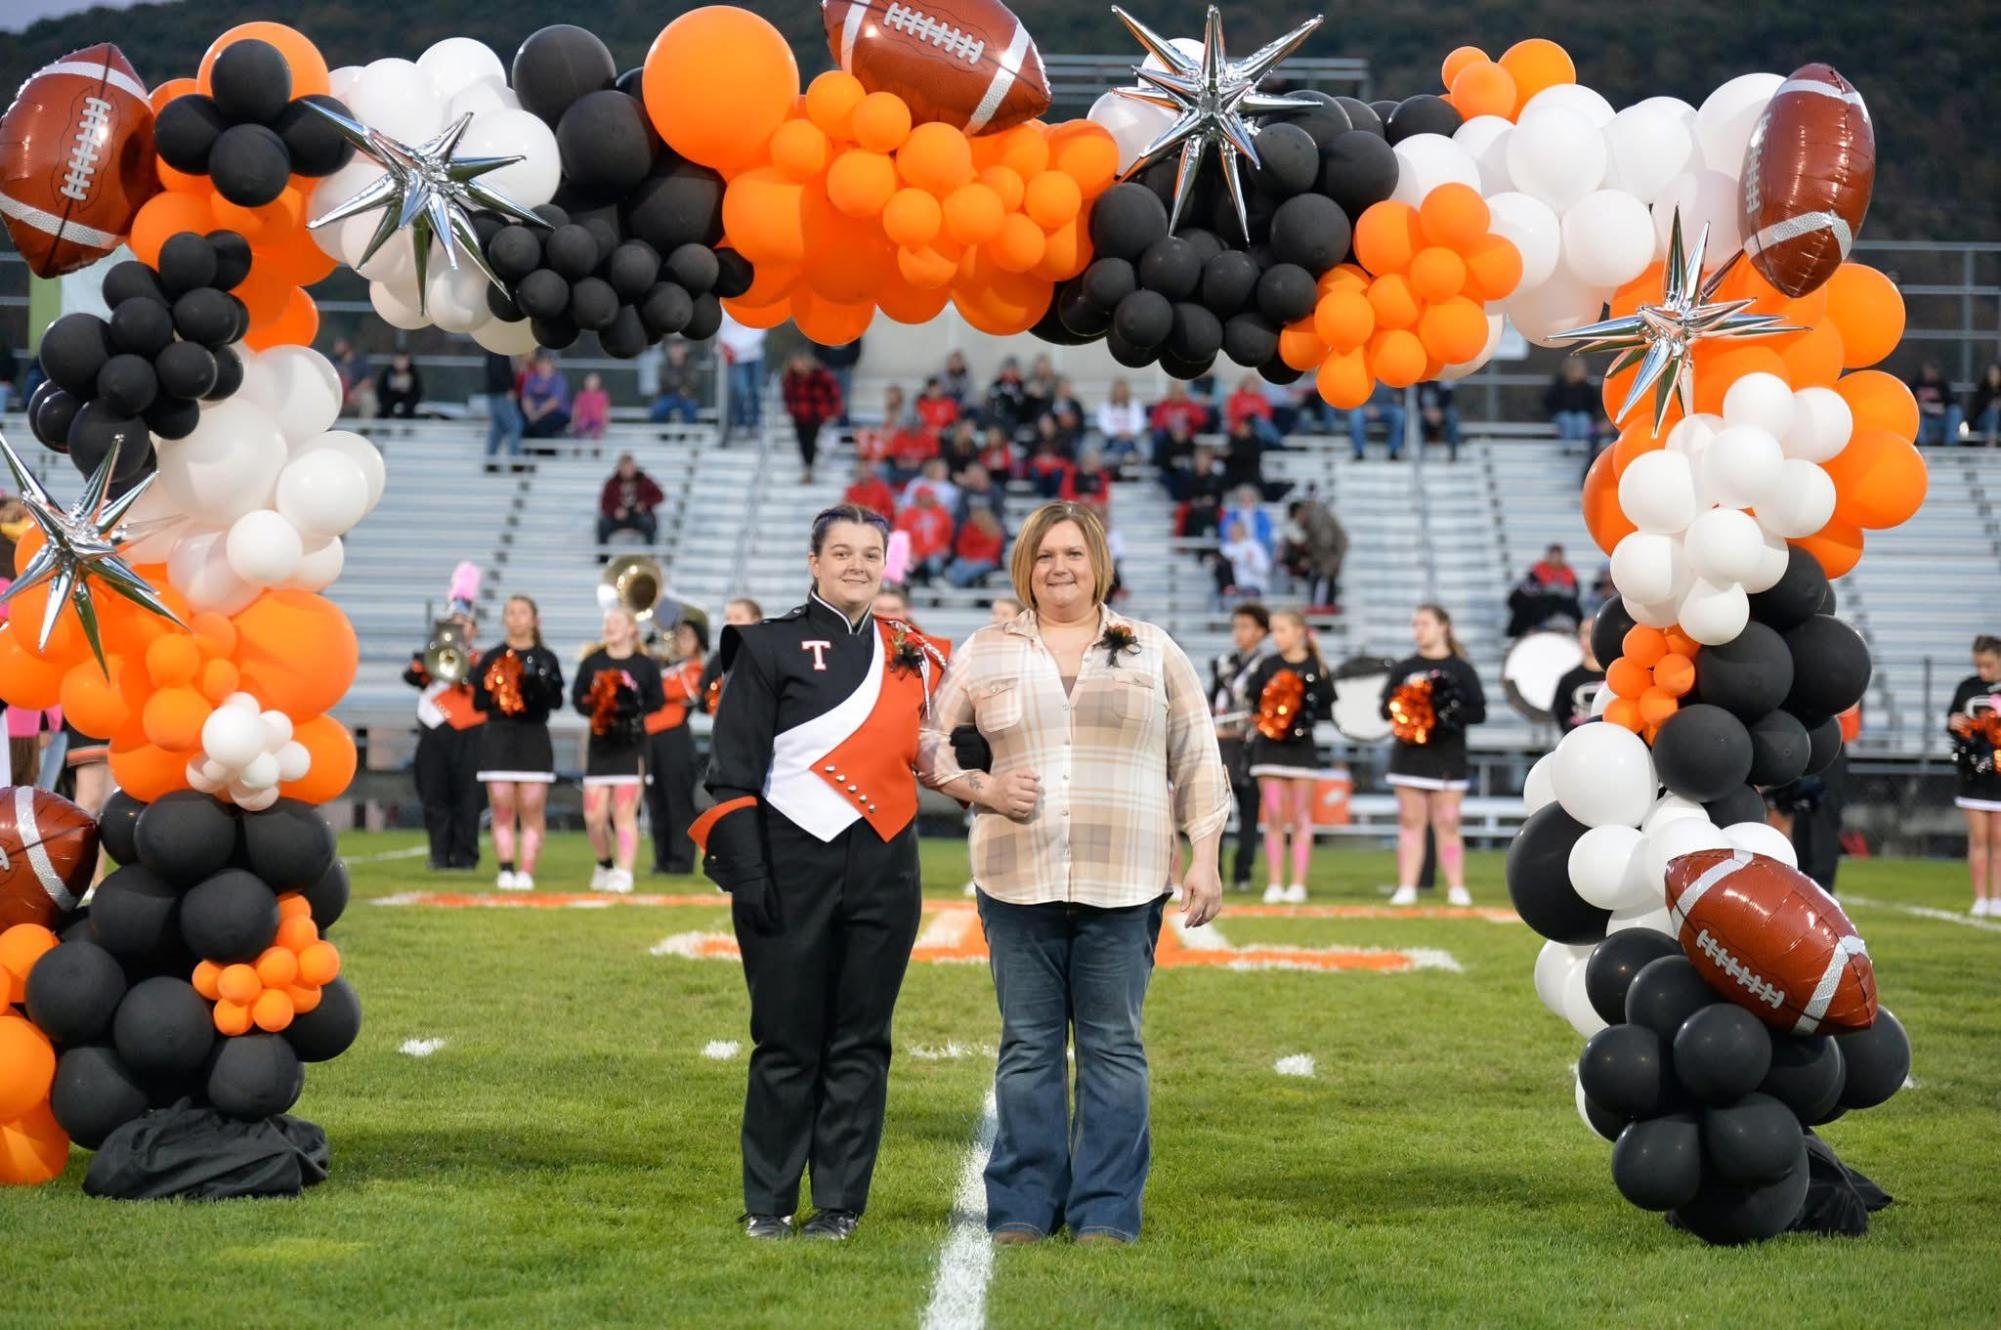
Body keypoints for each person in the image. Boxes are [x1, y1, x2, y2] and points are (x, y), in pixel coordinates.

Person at [918, 500, 1228, 1246]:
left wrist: (1206, 857)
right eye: (1045, 555)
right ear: (1026, 566)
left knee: (1113, 1047)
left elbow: (1196, 753)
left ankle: (1105, 1212)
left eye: (1073, 555)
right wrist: (981, 787)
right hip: (1014, 876)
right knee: (1027, 1046)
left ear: (1098, 566)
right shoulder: (986, 649)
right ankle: (1022, 1206)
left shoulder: (1149, 647)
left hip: (1125, 879)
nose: (1059, 568)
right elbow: (928, 739)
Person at [695, 503, 948, 1241]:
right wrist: (748, 878)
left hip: (885, 867)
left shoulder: (915, 651)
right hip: (786, 864)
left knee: (863, 1039)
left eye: (871, 554)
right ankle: (767, 1202)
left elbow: (950, 748)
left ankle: (839, 1204)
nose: (857, 565)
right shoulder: (763, 647)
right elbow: (731, 774)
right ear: (813, 561)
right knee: (785, 1039)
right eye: (841, 553)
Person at [1382, 605, 1488, 907]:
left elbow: (1478, 711)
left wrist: (1447, 713)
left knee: (1448, 821)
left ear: (1443, 627)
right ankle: (1407, 887)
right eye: (1415, 624)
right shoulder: (1404, 669)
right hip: (1409, 757)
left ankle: (1456, 888)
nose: (1419, 630)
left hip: (1447, 756)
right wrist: (1408, 709)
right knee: (1410, 821)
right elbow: (1384, 709)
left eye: (1425, 623)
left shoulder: (1462, 669)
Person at [472, 596, 565, 891]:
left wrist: (537, 686)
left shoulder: (546, 657)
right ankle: (505, 869)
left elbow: (557, 701)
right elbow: (478, 701)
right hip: (499, 737)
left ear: (534, 619)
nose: (516, 618)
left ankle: (526, 872)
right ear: (504, 619)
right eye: (510, 612)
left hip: (533, 737)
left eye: (522, 612)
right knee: (501, 806)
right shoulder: (492, 657)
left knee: (531, 807)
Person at [573, 606, 666, 894]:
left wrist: (630, 711)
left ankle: (625, 872)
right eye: (607, 622)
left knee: (624, 812)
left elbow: (657, 700)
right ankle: (604, 863)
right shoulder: (592, 662)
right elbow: (578, 699)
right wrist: (600, 708)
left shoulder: (645, 664)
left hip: (631, 746)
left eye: (616, 622)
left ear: (631, 630)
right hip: (601, 746)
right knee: (594, 816)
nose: (610, 626)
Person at [1243, 610, 1334, 903]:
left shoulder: (1316, 667)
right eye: (1274, 631)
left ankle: (1298, 884)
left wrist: (1302, 710)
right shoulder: (1267, 665)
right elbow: (1252, 701)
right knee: (1273, 816)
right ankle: (1274, 883)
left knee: (1301, 818)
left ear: (1298, 631)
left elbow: (1328, 709)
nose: (1276, 636)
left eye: (1282, 630)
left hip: (1302, 750)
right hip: (1269, 749)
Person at [403, 607, 486, 871]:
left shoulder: (481, 660)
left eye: (465, 624)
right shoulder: (430, 655)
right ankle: (438, 854)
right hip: (435, 729)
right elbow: (411, 676)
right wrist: (430, 659)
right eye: (454, 624)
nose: (460, 628)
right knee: (434, 794)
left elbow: (484, 685)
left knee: (468, 797)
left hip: (470, 731)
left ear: (475, 630)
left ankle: (465, 855)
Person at [1211, 602, 1274, 892]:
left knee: (1249, 813)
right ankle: (1214, 870)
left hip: (1251, 746)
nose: (1239, 632)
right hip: (1223, 746)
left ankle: (1243, 872)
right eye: (1236, 626)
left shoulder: (1269, 666)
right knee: (1217, 812)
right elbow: (1214, 699)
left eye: (1246, 627)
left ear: (1261, 632)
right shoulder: (1222, 662)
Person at [646, 617, 709, 876]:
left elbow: (674, 690)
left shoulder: (696, 669)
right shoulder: (663, 666)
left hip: (675, 738)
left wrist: (656, 680)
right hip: (651, 739)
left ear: (698, 643)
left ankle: (681, 861)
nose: (680, 642)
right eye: (678, 636)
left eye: (687, 637)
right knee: (655, 801)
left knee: (678, 801)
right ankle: (661, 859)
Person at [1947, 636, 2001, 916]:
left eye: (1988, 665)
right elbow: (1953, 720)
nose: (1983, 671)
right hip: (1975, 776)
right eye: (1978, 665)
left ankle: (1998, 898)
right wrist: (1954, 722)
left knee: (1999, 840)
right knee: (1979, 839)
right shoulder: (1967, 688)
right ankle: (1981, 898)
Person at [781, 352, 843, 484]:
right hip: (799, 415)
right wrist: (791, 409)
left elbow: (833, 392)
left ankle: (810, 467)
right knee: (803, 442)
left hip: (816, 414)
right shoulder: (791, 378)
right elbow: (787, 395)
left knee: (811, 441)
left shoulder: (820, 376)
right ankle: (807, 467)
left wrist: (834, 410)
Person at [1277, 496, 1347, 611]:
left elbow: (1326, 545)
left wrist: (1311, 560)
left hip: (1326, 561)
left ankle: (1322, 613)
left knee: (1322, 583)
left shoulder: (1318, 522)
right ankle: (1321, 612)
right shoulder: (1300, 526)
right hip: (1320, 562)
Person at [697, 598, 765, 715]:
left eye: (738, 618)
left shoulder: (768, 655)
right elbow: (703, 703)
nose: (730, 623)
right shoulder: (718, 659)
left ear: (756, 620)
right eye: (728, 618)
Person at [597, 452, 664, 551]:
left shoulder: (644, 480)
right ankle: (603, 557)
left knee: (648, 522)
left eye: (629, 468)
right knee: (603, 523)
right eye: (624, 468)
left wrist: (644, 504)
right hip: (618, 517)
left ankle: (650, 554)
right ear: (619, 468)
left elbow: (659, 496)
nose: (627, 471)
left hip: (638, 515)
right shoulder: (611, 483)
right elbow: (604, 504)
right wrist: (614, 511)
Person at [1549, 617, 1605, 733]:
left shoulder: (1618, 677)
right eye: (1586, 632)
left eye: (1595, 630)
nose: (1591, 637)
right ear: (1579, 637)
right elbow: (1561, 717)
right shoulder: (1568, 680)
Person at [893, 484, 954, 585]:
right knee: (906, 567)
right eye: (928, 496)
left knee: (934, 564)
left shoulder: (941, 513)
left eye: (932, 496)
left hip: (934, 552)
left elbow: (947, 532)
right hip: (914, 554)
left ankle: (937, 584)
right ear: (919, 498)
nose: (932, 498)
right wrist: (910, 552)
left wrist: (944, 545)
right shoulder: (908, 514)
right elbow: (900, 536)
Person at [719, 313, 767, 435]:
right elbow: (722, 329)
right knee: (741, 391)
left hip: (754, 356)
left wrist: (740, 347)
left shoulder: (754, 306)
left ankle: (755, 423)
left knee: (755, 391)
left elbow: (762, 329)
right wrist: (732, 348)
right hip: (736, 359)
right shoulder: (727, 307)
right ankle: (741, 422)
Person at [482, 351, 523, 473]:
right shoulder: (498, 351)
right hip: (501, 394)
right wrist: (508, 389)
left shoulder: (494, 350)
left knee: (497, 428)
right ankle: (514, 461)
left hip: (496, 393)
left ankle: (490, 462)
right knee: (515, 425)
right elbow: (497, 372)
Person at [1545, 360, 1599, 451]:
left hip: (1581, 415)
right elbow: (1550, 402)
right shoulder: (1558, 386)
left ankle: (1582, 446)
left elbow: (1593, 403)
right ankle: (1567, 448)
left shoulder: (1586, 387)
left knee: (1583, 419)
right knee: (1567, 420)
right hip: (1562, 415)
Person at [946, 506, 1005, 587]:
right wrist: (969, 558)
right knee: (958, 564)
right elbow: (962, 546)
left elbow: (992, 551)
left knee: (972, 569)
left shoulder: (994, 531)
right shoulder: (968, 528)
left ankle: (956, 586)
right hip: (969, 558)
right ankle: (950, 582)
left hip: (987, 560)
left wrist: (974, 560)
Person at [1348, 382, 1406, 461]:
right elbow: (1355, 395)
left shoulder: (1393, 373)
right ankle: (1359, 452)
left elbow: (1401, 398)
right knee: (1356, 414)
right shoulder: (1364, 374)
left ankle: (1394, 451)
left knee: (1399, 414)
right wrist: (1365, 407)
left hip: (1388, 408)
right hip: (1367, 408)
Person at [1094, 379, 1146, 467]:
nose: (1120, 393)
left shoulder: (1135, 405)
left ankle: (1119, 459)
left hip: (1131, 439)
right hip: (1112, 439)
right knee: (1119, 444)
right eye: (1117, 391)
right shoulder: (1105, 406)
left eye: (1122, 391)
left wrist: (1128, 433)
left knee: (1127, 444)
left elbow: (1139, 423)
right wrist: (1118, 433)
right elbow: (1104, 425)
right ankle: (1127, 459)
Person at [1911, 363, 1964, 447]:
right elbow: (1914, 406)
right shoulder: (1916, 385)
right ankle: (1923, 446)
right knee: (1916, 415)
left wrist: (1928, 407)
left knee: (1955, 411)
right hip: (1924, 421)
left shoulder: (1942, 385)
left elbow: (1948, 405)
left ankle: (1950, 446)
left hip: (1941, 420)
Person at [520, 355, 572, 439]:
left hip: (558, 413)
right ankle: (525, 452)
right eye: (540, 363)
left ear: (551, 365)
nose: (543, 366)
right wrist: (530, 414)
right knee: (523, 426)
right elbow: (526, 398)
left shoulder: (558, 379)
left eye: (545, 363)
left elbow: (554, 402)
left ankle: (547, 452)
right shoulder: (532, 378)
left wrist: (537, 415)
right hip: (533, 413)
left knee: (542, 427)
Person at [650, 341, 702, 424]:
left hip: (686, 397)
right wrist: (679, 386)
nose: (677, 351)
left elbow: (694, 381)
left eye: (680, 348)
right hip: (667, 395)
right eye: (675, 348)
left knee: (691, 409)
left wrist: (686, 388)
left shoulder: (690, 364)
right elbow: (663, 382)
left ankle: (685, 435)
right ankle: (664, 435)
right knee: (658, 410)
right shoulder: (664, 365)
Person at [815, 337, 862, 425]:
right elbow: (817, 347)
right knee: (827, 395)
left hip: (844, 368)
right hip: (828, 367)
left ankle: (843, 419)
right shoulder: (823, 331)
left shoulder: (851, 331)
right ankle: (829, 418)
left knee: (844, 396)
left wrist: (850, 361)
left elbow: (856, 348)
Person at [1218, 518, 1270, 597]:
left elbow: (1264, 569)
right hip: (1231, 585)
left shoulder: (1254, 546)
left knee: (1247, 595)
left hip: (1252, 584)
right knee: (1217, 596)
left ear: (1243, 532)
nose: (1233, 534)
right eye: (1231, 532)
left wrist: (1252, 561)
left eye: (1236, 531)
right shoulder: (1226, 548)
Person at [1225, 374, 1278, 447]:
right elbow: (1232, 415)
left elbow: (1266, 416)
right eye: (1250, 384)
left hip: (1258, 426)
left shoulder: (1261, 398)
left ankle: (1272, 442)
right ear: (1244, 385)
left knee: (1260, 421)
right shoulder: (1236, 397)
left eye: (1255, 384)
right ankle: (1275, 442)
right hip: (1241, 425)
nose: (1253, 387)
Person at [984, 358, 1029, 438]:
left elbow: (1022, 402)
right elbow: (990, 398)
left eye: (1012, 370)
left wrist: (1013, 395)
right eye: (1007, 369)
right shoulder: (997, 383)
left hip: (1013, 416)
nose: (1009, 373)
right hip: (998, 415)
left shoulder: (1020, 384)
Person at [1417, 381, 1461, 462]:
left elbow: (1448, 397)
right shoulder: (1420, 376)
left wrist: (1440, 411)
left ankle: (1453, 449)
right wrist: (1427, 411)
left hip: (1442, 409)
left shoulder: (1445, 375)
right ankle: (1419, 451)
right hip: (1425, 411)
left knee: (1452, 416)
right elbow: (1416, 397)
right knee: (1417, 419)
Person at [376, 351, 423, 419]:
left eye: (403, 360)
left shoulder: (413, 373)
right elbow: (381, 390)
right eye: (399, 360)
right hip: (390, 399)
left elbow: (418, 391)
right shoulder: (388, 373)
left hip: (408, 400)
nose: (401, 363)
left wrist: (410, 403)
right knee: (383, 411)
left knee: (409, 412)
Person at [570, 372, 610, 440]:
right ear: (585, 383)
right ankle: (578, 446)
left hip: (597, 420)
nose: (591, 385)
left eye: (594, 383)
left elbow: (605, 410)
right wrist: (574, 421)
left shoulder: (602, 395)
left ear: (598, 384)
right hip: (584, 419)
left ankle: (596, 448)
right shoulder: (581, 395)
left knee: (596, 430)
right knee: (580, 427)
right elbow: (576, 409)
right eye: (589, 382)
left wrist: (605, 421)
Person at [1969, 364, 2001, 447]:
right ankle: (1991, 443)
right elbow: (1976, 410)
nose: (1993, 377)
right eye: (1991, 375)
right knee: (1992, 412)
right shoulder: (1983, 390)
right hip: (1983, 422)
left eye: (1996, 375)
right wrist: (1991, 404)